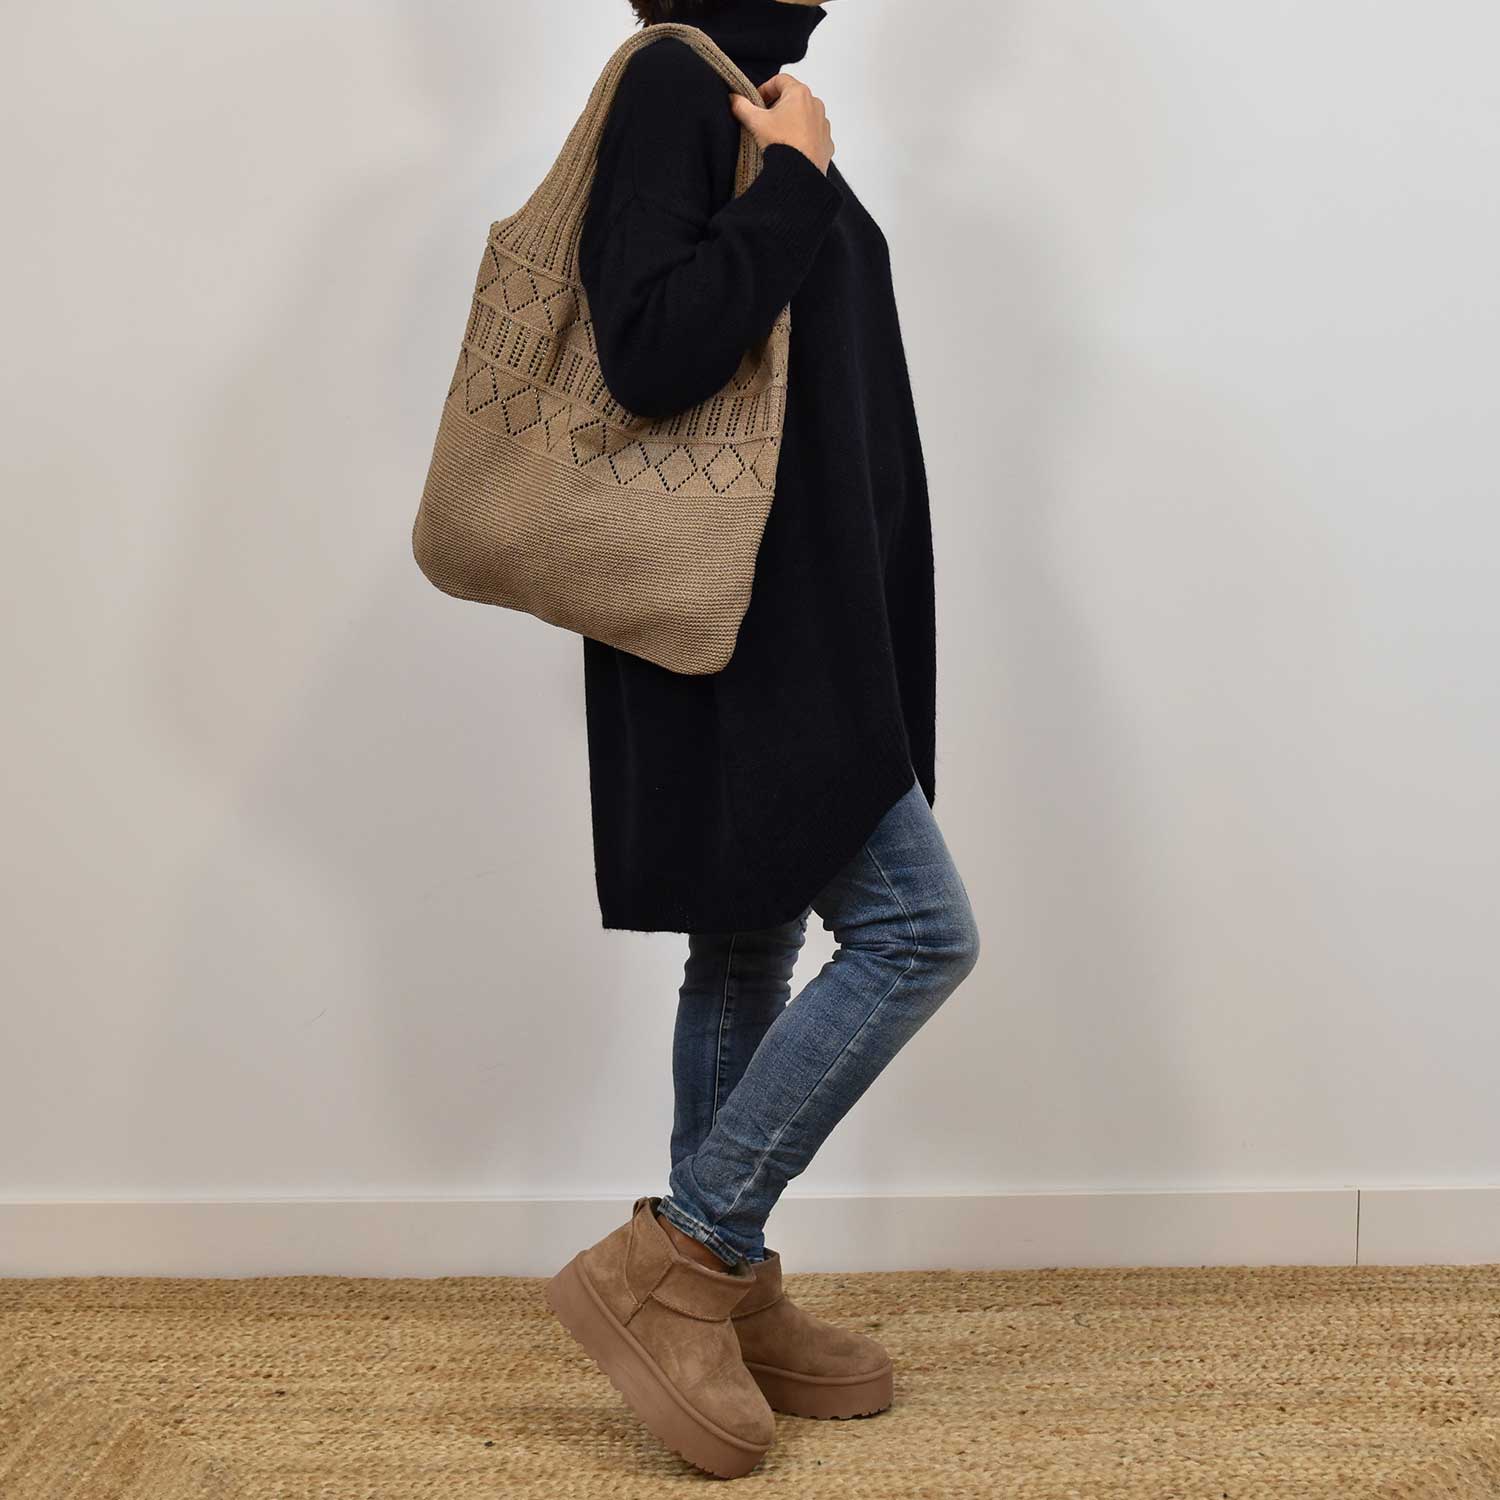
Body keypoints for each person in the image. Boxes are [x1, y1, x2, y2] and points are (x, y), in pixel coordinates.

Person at [545, 0, 980, 1478]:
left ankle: (719, 1298)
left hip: (792, 624)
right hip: (746, 630)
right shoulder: (677, 84)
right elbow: (649, 348)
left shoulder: (740, 87)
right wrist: (795, 177)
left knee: (747, 945)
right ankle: (682, 1254)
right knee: (917, 933)